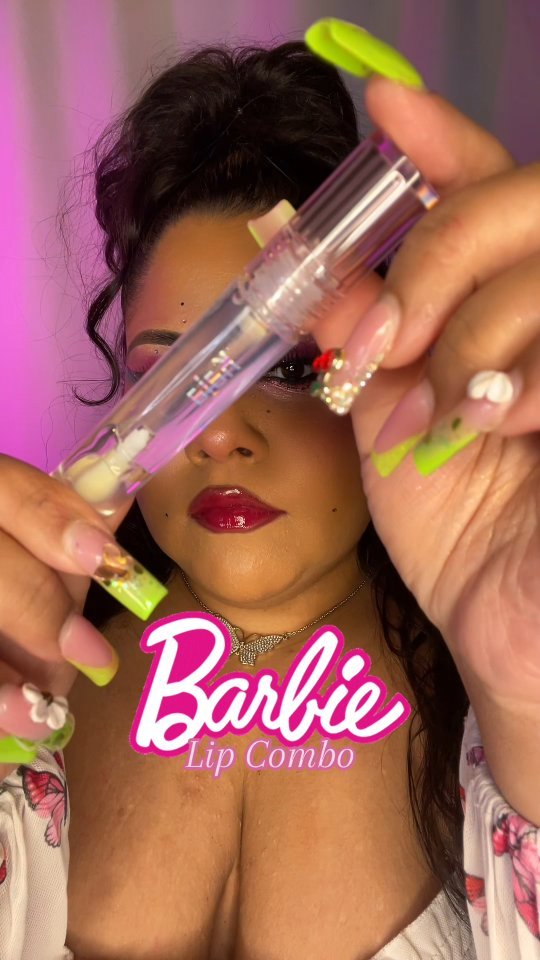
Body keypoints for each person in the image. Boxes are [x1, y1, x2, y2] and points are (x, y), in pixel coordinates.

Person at [0, 21, 538, 960]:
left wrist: (526, 696)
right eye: (171, 383)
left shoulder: (506, 688)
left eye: (287, 370)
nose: (216, 434)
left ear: (393, 364)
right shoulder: (23, 683)